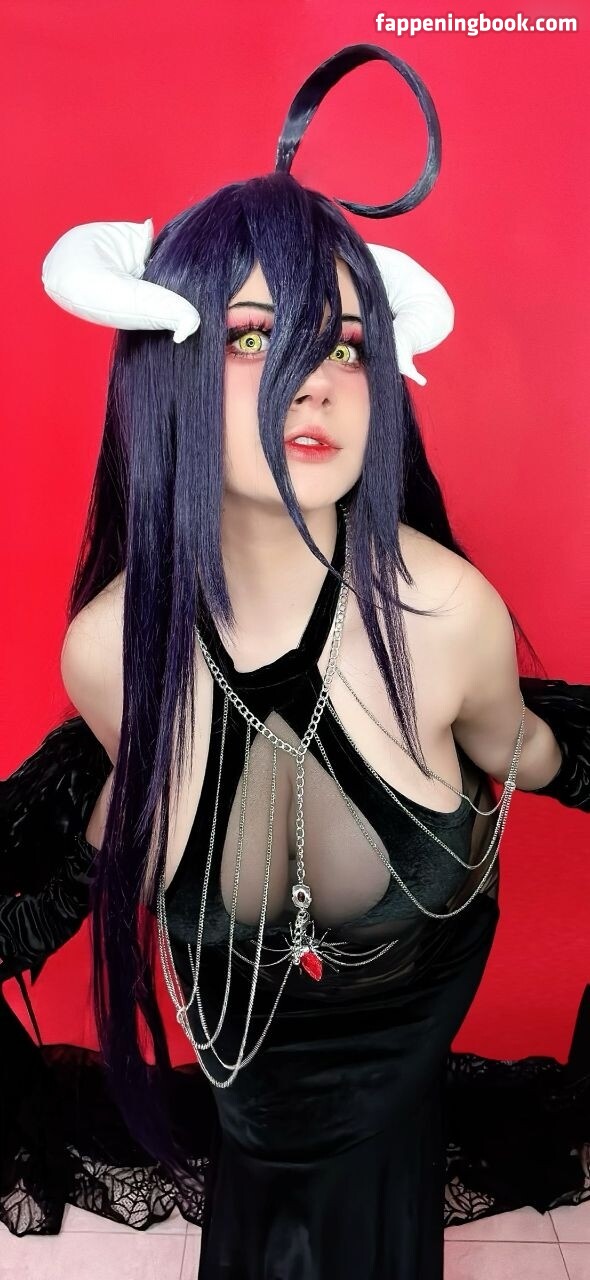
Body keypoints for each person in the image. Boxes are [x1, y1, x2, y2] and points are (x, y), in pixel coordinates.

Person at [2, 42, 589, 1279]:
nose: (312, 382)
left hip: (396, 1091)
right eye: (253, 336)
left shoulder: (445, 614)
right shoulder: (108, 650)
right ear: (165, 364)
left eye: (345, 345)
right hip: (246, 1108)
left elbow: (528, 751)